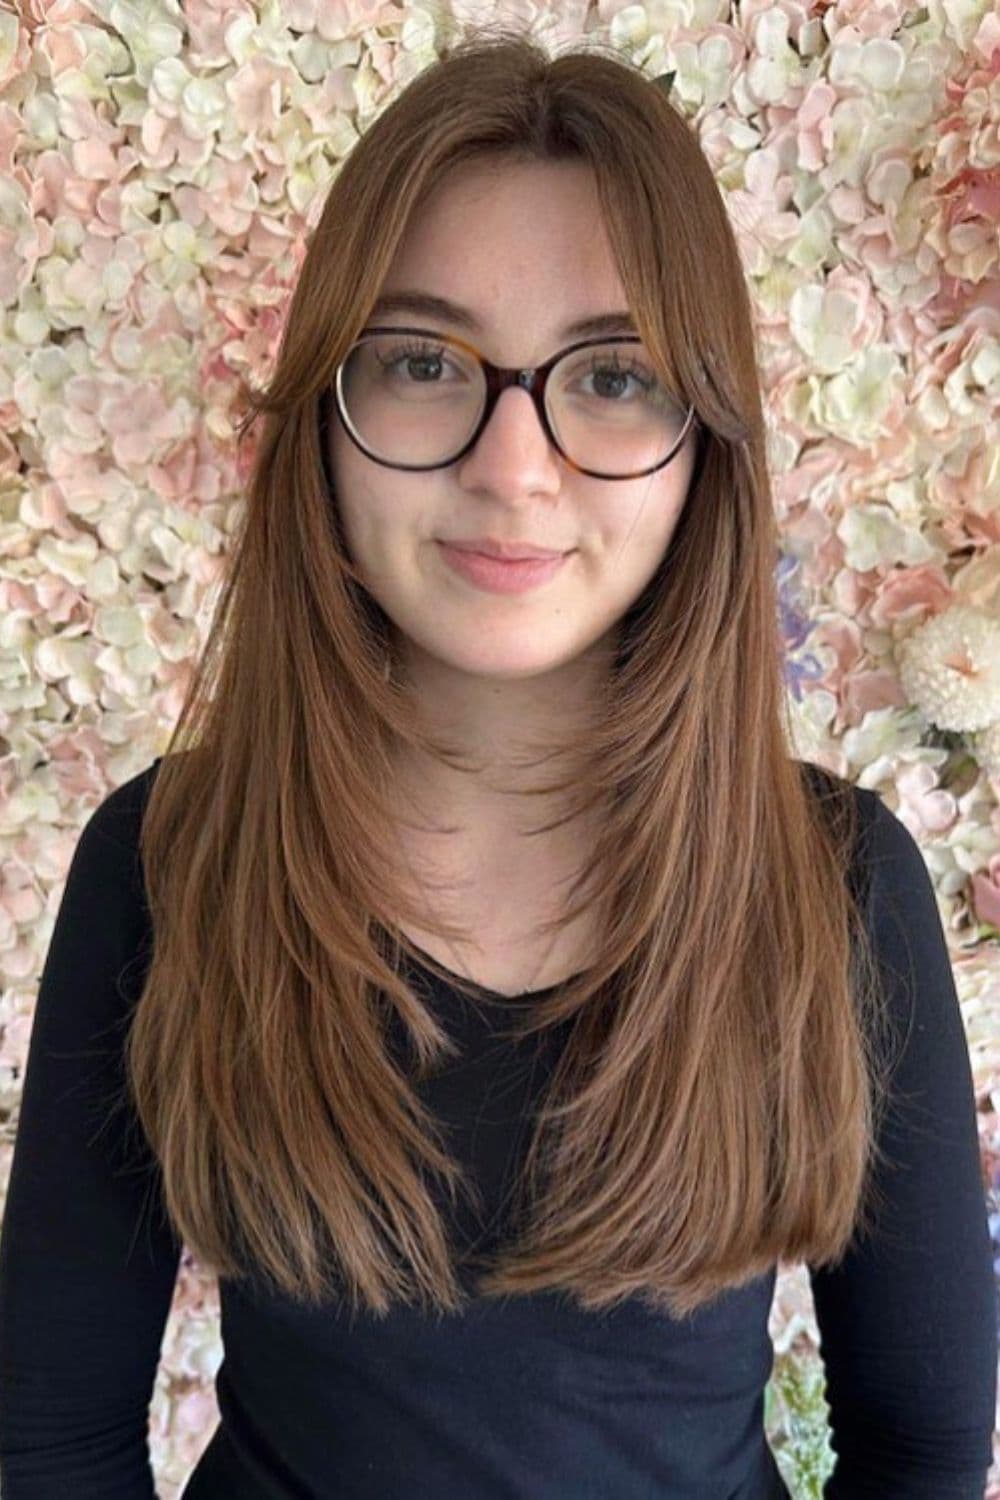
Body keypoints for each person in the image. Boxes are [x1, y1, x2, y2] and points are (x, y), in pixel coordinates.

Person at [0, 23, 995, 1500]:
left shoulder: (837, 885)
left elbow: (922, 1458)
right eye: (422, 361)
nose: (511, 468)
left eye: (614, 378)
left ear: (703, 441)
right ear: (323, 418)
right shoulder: (171, 856)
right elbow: (51, 1443)